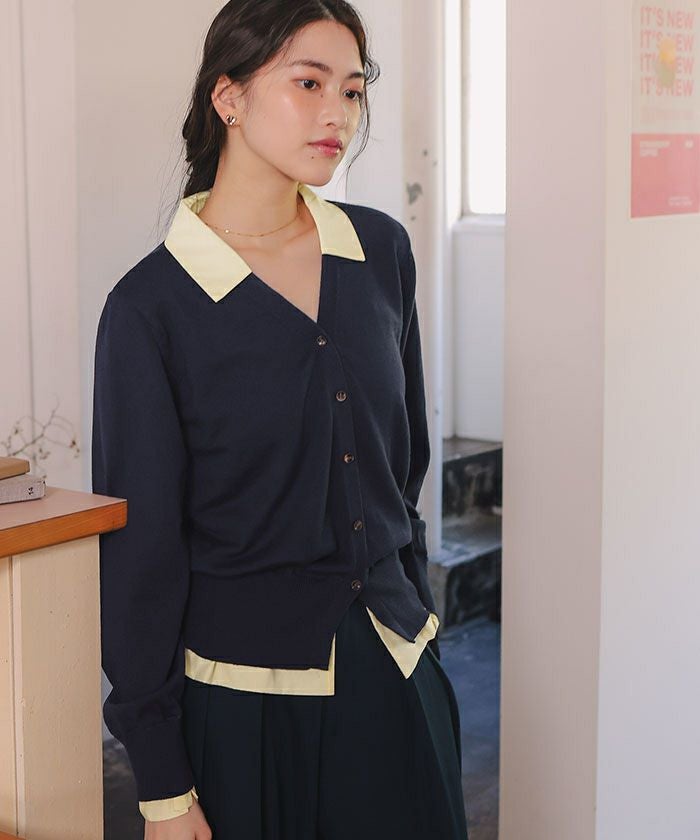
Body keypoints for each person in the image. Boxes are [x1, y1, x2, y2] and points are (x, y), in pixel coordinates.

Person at [91, 1, 470, 838]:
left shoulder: (380, 252)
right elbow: (142, 559)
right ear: (229, 97)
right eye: (308, 83)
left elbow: (400, 471)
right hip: (245, 710)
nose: (338, 113)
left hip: (398, 672)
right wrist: (163, 787)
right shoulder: (150, 309)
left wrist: (421, 629)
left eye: (353, 90)